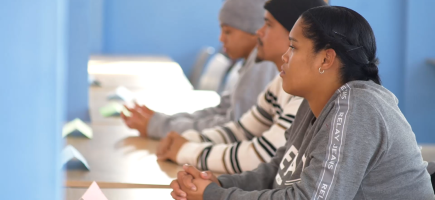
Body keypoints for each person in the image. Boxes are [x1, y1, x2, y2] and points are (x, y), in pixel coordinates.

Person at [170, 5, 434, 200]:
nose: (285, 56)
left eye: (294, 47)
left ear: (326, 59)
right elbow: (280, 170)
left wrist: (215, 195)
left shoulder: (357, 107)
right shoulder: (312, 101)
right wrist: (219, 182)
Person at [156, 0, 326, 174]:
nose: (258, 32)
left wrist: (186, 151)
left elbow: (262, 156)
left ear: (293, 34)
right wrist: (188, 139)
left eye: (267, 25)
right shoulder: (280, 83)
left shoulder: (306, 93)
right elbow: (240, 130)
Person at [121, 0, 277, 139]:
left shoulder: (262, 65)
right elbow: (222, 110)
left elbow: (232, 128)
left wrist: (160, 126)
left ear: (254, 32)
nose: (221, 39)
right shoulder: (250, 62)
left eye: (228, 31)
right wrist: (164, 121)